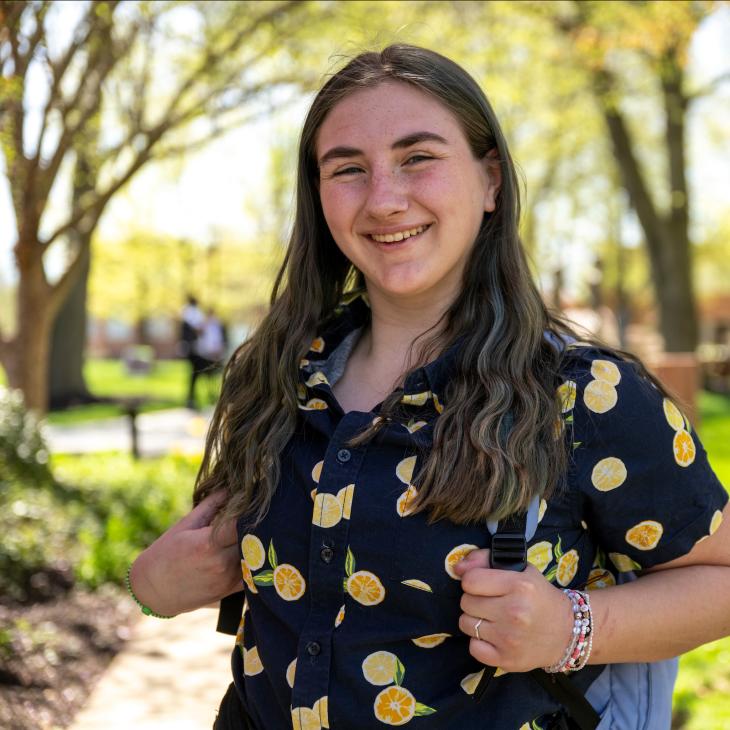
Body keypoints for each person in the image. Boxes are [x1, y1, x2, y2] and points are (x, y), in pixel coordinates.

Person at [128, 45, 730, 730]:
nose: (384, 198)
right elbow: (223, 570)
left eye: (419, 158)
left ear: (492, 180)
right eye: (348, 168)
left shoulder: (586, 395)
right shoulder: (269, 378)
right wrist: (151, 588)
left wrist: (570, 626)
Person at [180, 294, 207, 410]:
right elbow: (199, 328)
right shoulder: (192, 313)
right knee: (196, 372)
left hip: (191, 348)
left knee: (195, 373)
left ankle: (191, 397)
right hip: (194, 348)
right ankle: (191, 398)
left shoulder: (186, 312)